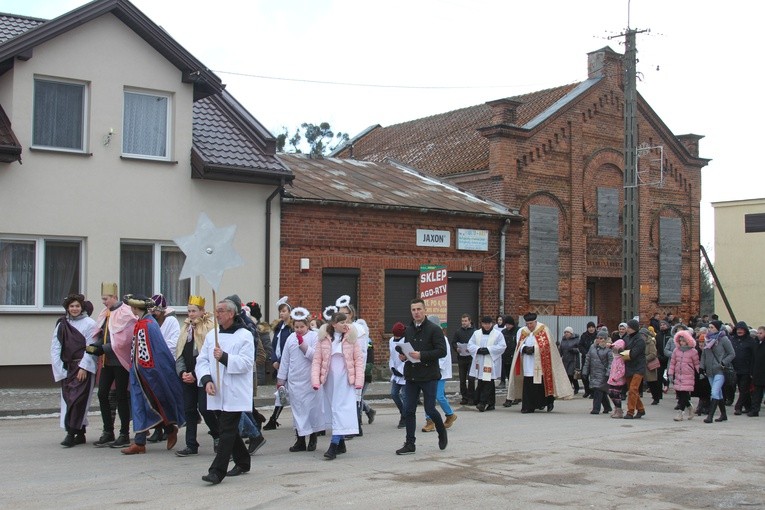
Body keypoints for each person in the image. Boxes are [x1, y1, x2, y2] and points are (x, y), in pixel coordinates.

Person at [196, 298, 254, 484]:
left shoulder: (244, 335)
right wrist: (206, 380)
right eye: (216, 310)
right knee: (227, 428)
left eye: (221, 310)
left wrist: (224, 357)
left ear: (231, 313)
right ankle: (243, 461)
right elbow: (202, 360)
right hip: (216, 390)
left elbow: (246, 363)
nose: (217, 314)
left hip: (235, 391)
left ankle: (217, 471)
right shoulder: (212, 334)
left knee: (226, 430)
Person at [117, 294, 185, 454]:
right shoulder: (142, 322)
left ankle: (168, 430)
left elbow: (154, 352)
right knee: (140, 404)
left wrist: (147, 371)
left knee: (153, 402)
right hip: (139, 371)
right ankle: (140, 442)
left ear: (135, 308)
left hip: (148, 373)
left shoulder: (148, 324)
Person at [396, 299, 448, 455]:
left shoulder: (434, 329)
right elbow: (408, 348)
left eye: (419, 309)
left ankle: (441, 431)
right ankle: (410, 443)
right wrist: (404, 356)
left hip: (429, 375)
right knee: (409, 409)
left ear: (424, 310)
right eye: (413, 310)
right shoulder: (409, 329)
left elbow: (442, 351)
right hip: (412, 375)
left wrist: (422, 355)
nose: (416, 312)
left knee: (430, 409)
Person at [87, 282, 136, 448]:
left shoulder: (126, 313)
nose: (104, 302)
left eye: (105, 298)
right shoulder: (106, 313)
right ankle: (108, 431)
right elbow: (105, 335)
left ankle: (124, 433)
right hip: (107, 361)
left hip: (120, 361)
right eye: (102, 298)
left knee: (122, 395)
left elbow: (125, 339)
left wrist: (103, 348)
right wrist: (97, 346)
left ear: (114, 297)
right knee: (102, 394)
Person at [312, 312, 364, 460]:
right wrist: (316, 380)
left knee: (341, 409)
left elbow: (358, 360)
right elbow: (317, 360)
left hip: (345, 379)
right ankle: (341, 443)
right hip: (330, 380)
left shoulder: (351, 338)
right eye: (341, 322)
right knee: (332, 409)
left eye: (346, 322)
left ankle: (334, 444)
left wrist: (359, 380)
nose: (345, 325)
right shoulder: (323, 339)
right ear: (334, 324)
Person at [50, 293, 98, 447]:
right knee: (69, 399)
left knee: (78, 400)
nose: (75, 309)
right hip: (68, 367)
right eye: (72, 306)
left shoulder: (89, 324)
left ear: (82, 307)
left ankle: (71, 433)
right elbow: (55, 347)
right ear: (67, 308)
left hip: (82, 367)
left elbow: (91, 347)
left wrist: (84, 367)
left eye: (77, 306)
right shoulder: (62, 324)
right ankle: (80, 432)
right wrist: (60, 369)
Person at [174, 295, 219, 457]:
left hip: (202, 375)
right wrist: (182, 372)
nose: (191, 314)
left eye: (194, 311)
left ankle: (217, 433)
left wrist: (195, 374)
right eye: (189, 311)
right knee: (189, 409)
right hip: (187, 375)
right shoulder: (186, 327)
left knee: (205, 408)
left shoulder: (209, 327)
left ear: (202, 311)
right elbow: (179, 352)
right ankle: (191, 444)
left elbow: (206, 354)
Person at [277, 307, 323, 453]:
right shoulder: (290, 339)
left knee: (311, 410)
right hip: (295, 381)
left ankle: (313, 437)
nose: (299, 329)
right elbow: (285, 360)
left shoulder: (314, 337)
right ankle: (300, 439)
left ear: (308, 325)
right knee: (298, 411)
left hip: (310, 380)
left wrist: (304, 347)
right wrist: (281, 379)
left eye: (302, 326)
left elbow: (316, 356)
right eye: (296, 327)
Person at [507, 312, 573, 413]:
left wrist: (534, 349)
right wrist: (524, 349)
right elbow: (518, 344)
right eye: (527, 324)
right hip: (527, 362)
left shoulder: (543, 329)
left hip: (541, 362)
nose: (529, 326)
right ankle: (528, 406)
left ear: (535, 322)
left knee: (542, 383)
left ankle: (548, 402)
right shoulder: (522, 331)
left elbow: (547, 345)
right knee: (528, 384)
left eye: (531, 324)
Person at [147, 293, 181, 444]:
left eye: (156, 311)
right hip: (153, 366)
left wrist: (157, 352)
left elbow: (173, 343)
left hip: (166, 364)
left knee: (165, 397)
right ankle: (158, 428)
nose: (153, 314)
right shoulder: (150, 322)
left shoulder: (171, 321)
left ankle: (169, 425)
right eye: (151, 311)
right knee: (154, 398)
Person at [422, 315, 458, 429]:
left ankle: (449, 414)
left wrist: (433, 367)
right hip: (431, 371)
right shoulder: (430, 337)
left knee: (438, 396)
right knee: (430, 396)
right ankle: (431, 420)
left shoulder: (442, 338)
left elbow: (443, 356)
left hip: (439, 373)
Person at [264, 296, 294, 430]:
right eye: (280, 311)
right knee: (281, 391)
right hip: (279, 364)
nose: (282, 314)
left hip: (289, 365)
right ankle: (273, 418)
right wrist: (274, 360)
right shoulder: (278, 328)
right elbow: (274, 346)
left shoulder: (291, 329)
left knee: (289, 391)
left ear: (290, 312)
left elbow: (291, 348)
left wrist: (283, 362)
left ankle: (274, 418)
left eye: (284, 311)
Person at [467, 315, 506, 412]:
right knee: (483, 381)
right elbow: (470, 345)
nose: (487, 326)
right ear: (482, 324)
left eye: (489, 324)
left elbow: (502, 346)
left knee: (488, 381)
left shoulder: (497, 334)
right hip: (480, 361)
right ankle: (491, 403)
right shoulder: (476, 333)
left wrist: (489, 350)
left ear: (492, 324)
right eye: (485, 324)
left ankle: (482, 402)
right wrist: (478, 350)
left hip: (490, 361)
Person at [700, 320, 735, 424]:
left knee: (714, 392)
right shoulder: (707, 339)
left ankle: (710, 416)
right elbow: (704, 355)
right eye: (709, 327)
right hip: (709, 370)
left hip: (720, 370)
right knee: (718, 393)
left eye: (712, 327)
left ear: (718, 328)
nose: (710, 329)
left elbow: (732, 354)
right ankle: (723, 415)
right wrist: (701, 367)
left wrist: (723, 362)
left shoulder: (724, 339)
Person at [617, 319, 647, 419]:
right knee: (632, 390)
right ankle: (641, 409)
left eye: (629, 327)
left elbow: (632, 354)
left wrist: (620, 351)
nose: (627, 329)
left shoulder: (640, 340)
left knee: (633, 389)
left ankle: (630, 412)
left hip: (638, 368)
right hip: (629, 367)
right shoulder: (627, 338)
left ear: (634, 328)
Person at [668, 330, 699, 421]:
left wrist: (700, 373)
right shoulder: (676, 350)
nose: (681, 343)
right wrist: (670, 373)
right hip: (678, 375)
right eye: (680, 341)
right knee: (680, 394)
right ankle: (690, 407)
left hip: (688, 375)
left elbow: (696, 363)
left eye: (683, 341)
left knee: (684, 394)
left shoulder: (693, 351)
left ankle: (680, 413)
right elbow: (673, 363)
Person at [581, 329, 612, 415]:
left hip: (603, 373)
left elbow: (611, 362)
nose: (599, 339)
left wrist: (608, 373)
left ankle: (596, 408)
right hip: (594, 372)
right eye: (598, 338)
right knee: (599, 390)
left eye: (601, 338)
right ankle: (607, 407)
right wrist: (585, 371)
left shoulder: (608, 348)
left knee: (598, 390)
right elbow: (588, 359)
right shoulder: (592, 347)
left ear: (605, 339)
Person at [729, 321, 755, 415]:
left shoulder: (750, 341)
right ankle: (749, 406)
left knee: (744, 388)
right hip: (735, 369)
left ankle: (738, 407)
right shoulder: (733, 340)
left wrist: (752, 370)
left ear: (745, 330)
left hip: (746, 369)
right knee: (742, 388)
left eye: (741, 329)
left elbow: (753, 356)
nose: (739, 331)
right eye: (738, 329)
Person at [451, 313, 476, 405]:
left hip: (471, 358)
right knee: (462, 379)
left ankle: (471, 398)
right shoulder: (458, 332)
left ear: (470, 321)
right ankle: (464, 397)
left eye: (465, 321)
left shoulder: (474, 331)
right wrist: (456, 348)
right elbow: (453, 342)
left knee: (471, 378)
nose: (463, 323)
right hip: (461, 357)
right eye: (462, 321)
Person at [389, 322, 408, 428]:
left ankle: (404, 418)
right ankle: (403, 411)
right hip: (396, 373)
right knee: (394, 394)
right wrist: (392, 368)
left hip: (405, 373)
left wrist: (401, 369)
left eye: (397, 336)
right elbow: (392, 356)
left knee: (405, 396)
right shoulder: (391, 340)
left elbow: (408, 357)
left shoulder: (406, 341)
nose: (395, 338)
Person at [607, 339, 627, 418]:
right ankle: (616, 408)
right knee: (611, 393)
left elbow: (621, 370)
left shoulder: (621, 359)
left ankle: (619, 410)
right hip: (612, 379)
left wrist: (616, 377)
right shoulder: (615, 358)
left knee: (615, 394)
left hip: (617, 380)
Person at [558, 326, 581, 395]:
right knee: (566, 375)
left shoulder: (576, 340)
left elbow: (579, 349)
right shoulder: (563, 340)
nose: (566, 333)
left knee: (571, 374)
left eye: (567, 332)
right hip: (565, 360)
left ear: (571, 333)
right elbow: (561, 350)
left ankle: (573, 388)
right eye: (565, 332)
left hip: (573, 360)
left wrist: (573, 350)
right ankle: (570, 388)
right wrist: (559, 356)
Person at [578, 322, 598, 398]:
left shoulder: (597, 336)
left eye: (592, 327)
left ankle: (593, 392)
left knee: (593, 376)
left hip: (595, 358)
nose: (591, 329)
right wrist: (585, 353)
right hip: (586, 358)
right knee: (584, 375)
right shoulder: (584, 335)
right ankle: (587, 390)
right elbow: (580, 345)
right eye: (589, 327)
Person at [748, 326, 765, 417]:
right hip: (757, 372)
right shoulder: (756, 344)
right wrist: (752, 371)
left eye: (761, 333)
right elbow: (753, 359)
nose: (758, 335)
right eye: (758, 333)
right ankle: (755, 410)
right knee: (757, 394)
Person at [644, 327, 662, 405]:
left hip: (649, 365)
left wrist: (645, 358)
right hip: (643, 365)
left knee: (652, 382)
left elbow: (653, 354)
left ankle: (656, 398)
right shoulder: (641, 342)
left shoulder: (650, 342)